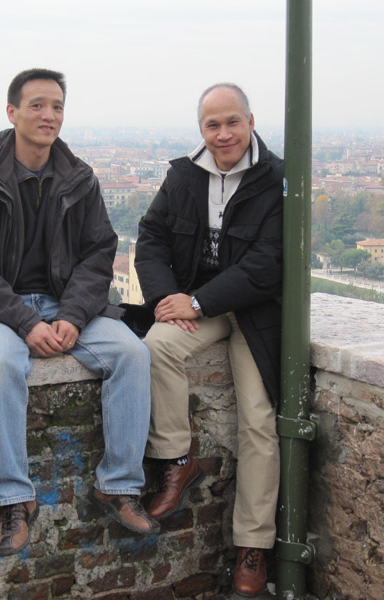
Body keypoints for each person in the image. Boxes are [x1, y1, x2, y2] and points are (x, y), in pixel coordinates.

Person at [0, 68, 159, 556]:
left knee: (132, 353)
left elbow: (98, 253)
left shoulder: (80, 181)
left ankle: (119, 485)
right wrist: (26, 322)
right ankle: (12, 500)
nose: (49, 115)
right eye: (37, 105)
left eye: (57, 106)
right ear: (12, 112)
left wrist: (73, 316)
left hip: (66, 303)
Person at [135, 83, 282, 597]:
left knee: (258, 421)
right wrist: (166, 298)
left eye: (232, 122)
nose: (223, 134)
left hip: (256, 311)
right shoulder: (184, 176)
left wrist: (196, 303)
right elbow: (151, 238)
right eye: (212, 125)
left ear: (251, 122)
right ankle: (178, 460)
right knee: (156, 347)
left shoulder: (277, 179)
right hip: (199, 301)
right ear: (201, 129)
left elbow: (267, 264)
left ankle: (253, 546)